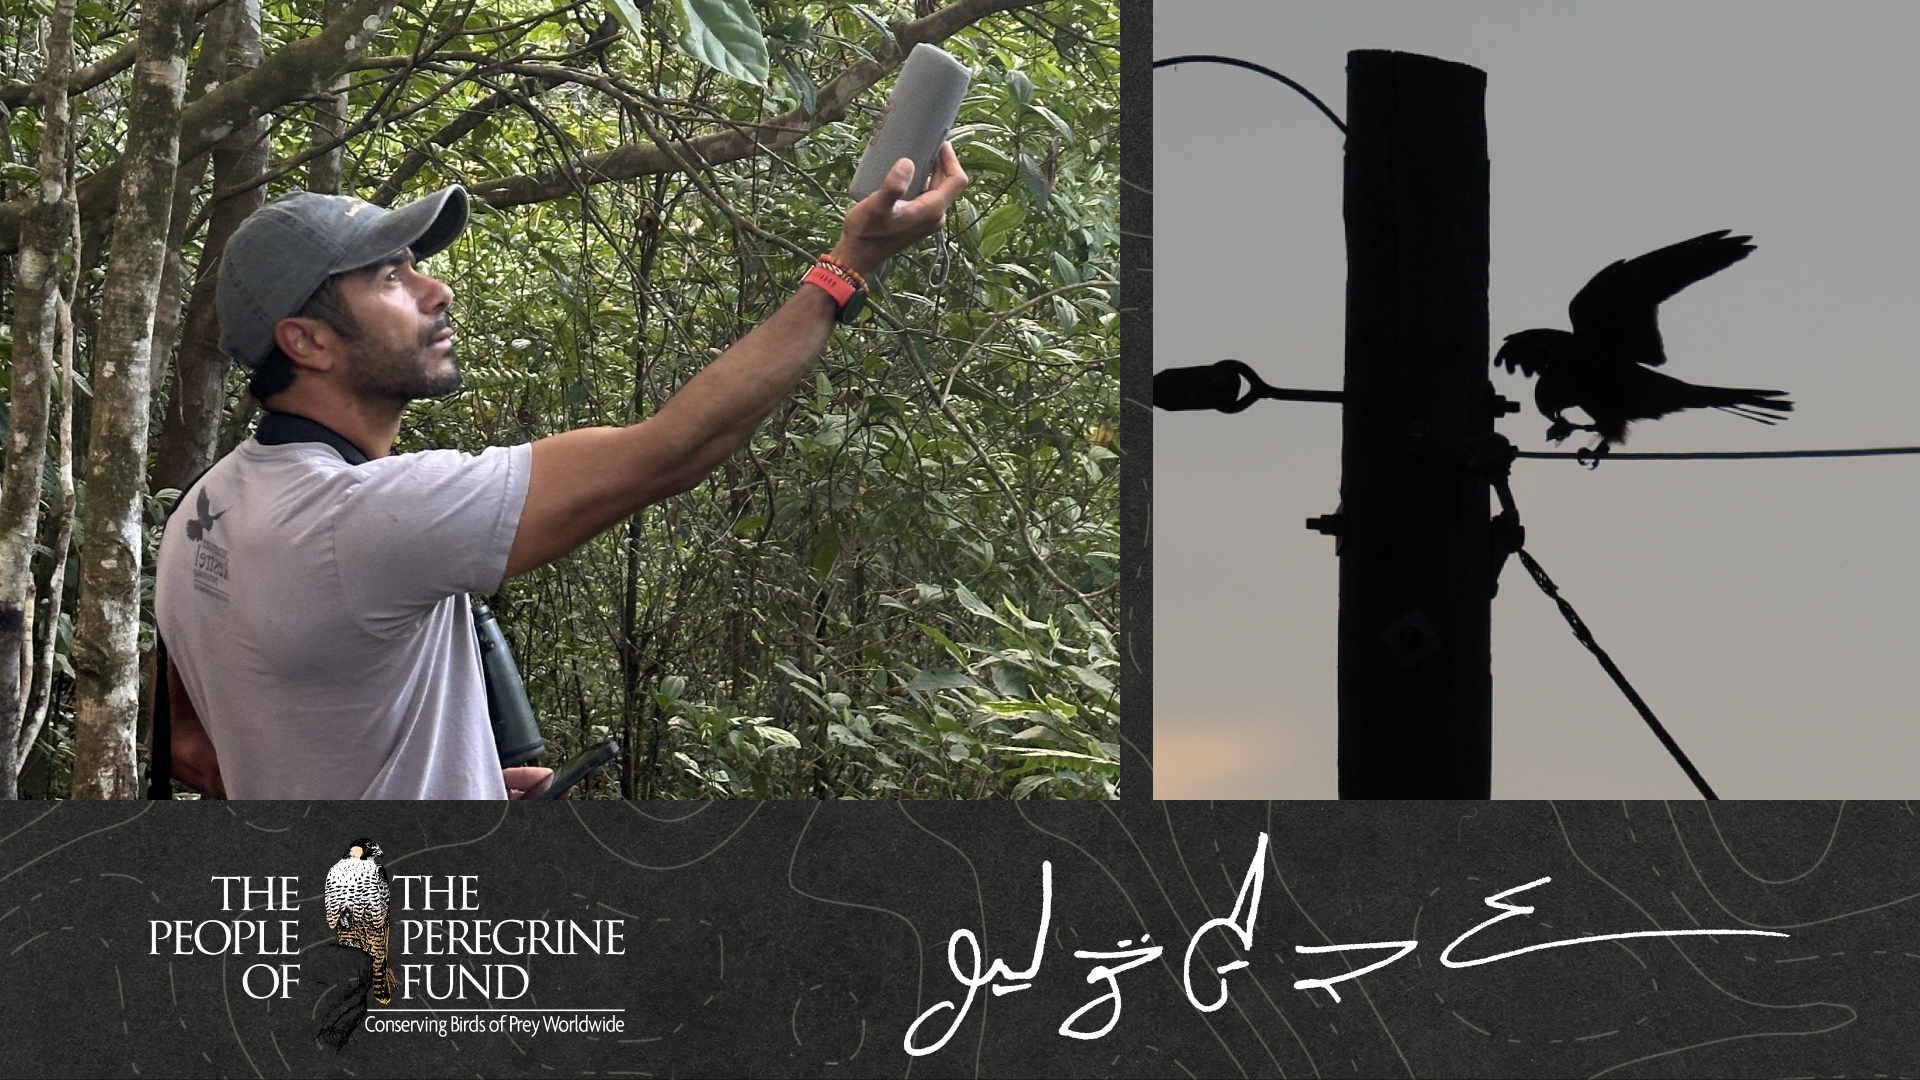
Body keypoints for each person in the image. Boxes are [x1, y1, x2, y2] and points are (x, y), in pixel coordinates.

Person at [153, 146, 968, 798]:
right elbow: (671, 450)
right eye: (391, 278)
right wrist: (845, 269)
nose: (437, 290)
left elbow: (194, 750)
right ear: (308, 342)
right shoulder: (358, 518)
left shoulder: (206, 509)